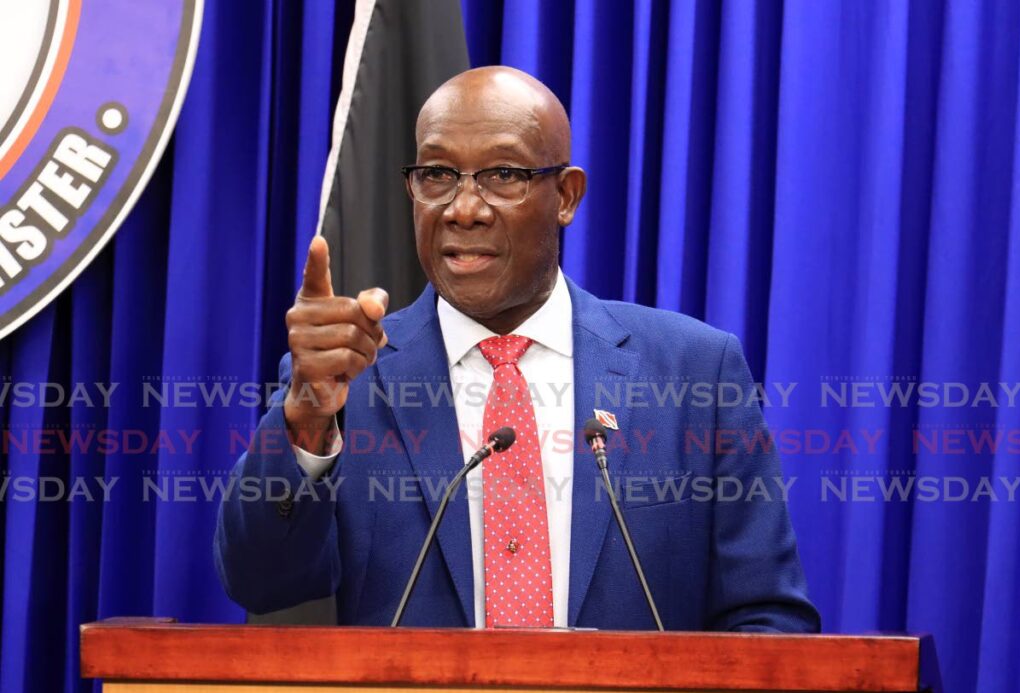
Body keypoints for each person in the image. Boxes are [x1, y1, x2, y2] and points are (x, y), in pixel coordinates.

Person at [214, 66, 820, 632]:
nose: (464, 209)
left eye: (504, 174)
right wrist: (304, 420)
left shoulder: (694, 373)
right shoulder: (345, 381)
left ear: (566, 196)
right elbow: (261, 583)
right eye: (437, 175)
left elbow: (768, 621)